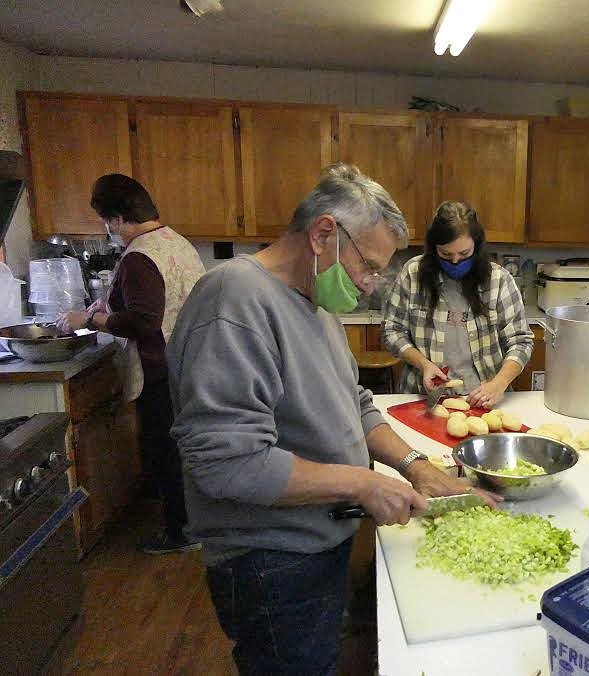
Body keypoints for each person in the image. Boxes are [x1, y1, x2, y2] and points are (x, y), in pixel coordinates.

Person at [166, 165, 498, 674]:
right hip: (269, 561)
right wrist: (363, 484)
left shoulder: (316, 305)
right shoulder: (232, 299)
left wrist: (414, 466)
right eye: (369, 266)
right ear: (324, 234)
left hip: (314, 544)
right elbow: (228, 463)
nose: (370, 285)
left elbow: (356, 403)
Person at [57, 174, 206, 554]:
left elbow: (143, 321)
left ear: (119, 218)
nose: (109, 230)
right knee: (183, 449)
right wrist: (109, 307)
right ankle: (196, 524)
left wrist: (89, 319)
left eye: (107, 221)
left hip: (160, 369)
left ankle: (180, 532)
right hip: (191, 362)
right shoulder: (175, 242)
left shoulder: (139, 256)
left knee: (166, 450)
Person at [381, 201, 534, 407]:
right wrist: (424, 364)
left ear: (477, 247)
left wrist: (499, 383)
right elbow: (392, 331)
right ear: (434, 249)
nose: (454, 262)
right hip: (422, 399)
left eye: (464, 255)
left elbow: (521, 341)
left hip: (485, 399)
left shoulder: (499, 280)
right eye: (446, 254)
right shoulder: (413, 274)